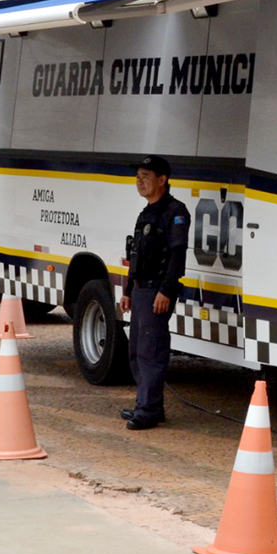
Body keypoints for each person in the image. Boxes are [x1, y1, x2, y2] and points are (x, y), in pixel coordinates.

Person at [119, 155, 190, 430]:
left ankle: (147, 411)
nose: (140, 181)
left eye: (145, 176)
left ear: (162, 180)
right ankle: (148, 405)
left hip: (156, 293)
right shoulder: (145, 213)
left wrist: (166, 291)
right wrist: (127, 290)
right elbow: (135, 256)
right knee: (136, 351)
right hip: (140, 291)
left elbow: (177, 256)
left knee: (151, 352)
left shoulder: (175, 212)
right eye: (138, 176)